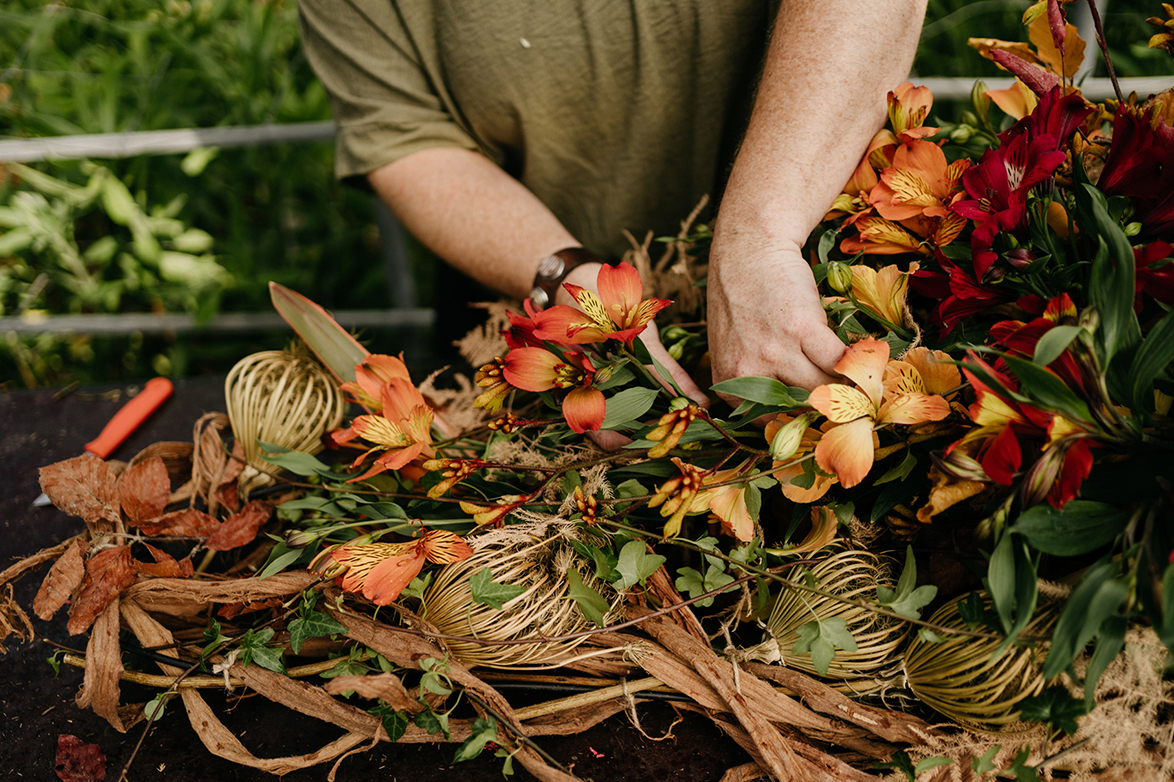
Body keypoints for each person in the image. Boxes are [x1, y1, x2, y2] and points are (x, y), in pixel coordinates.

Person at [298, 0, 928, 399]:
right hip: (539, 306)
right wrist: (564, 279)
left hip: (821, 248)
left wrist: (761, 237)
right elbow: (405, 139)